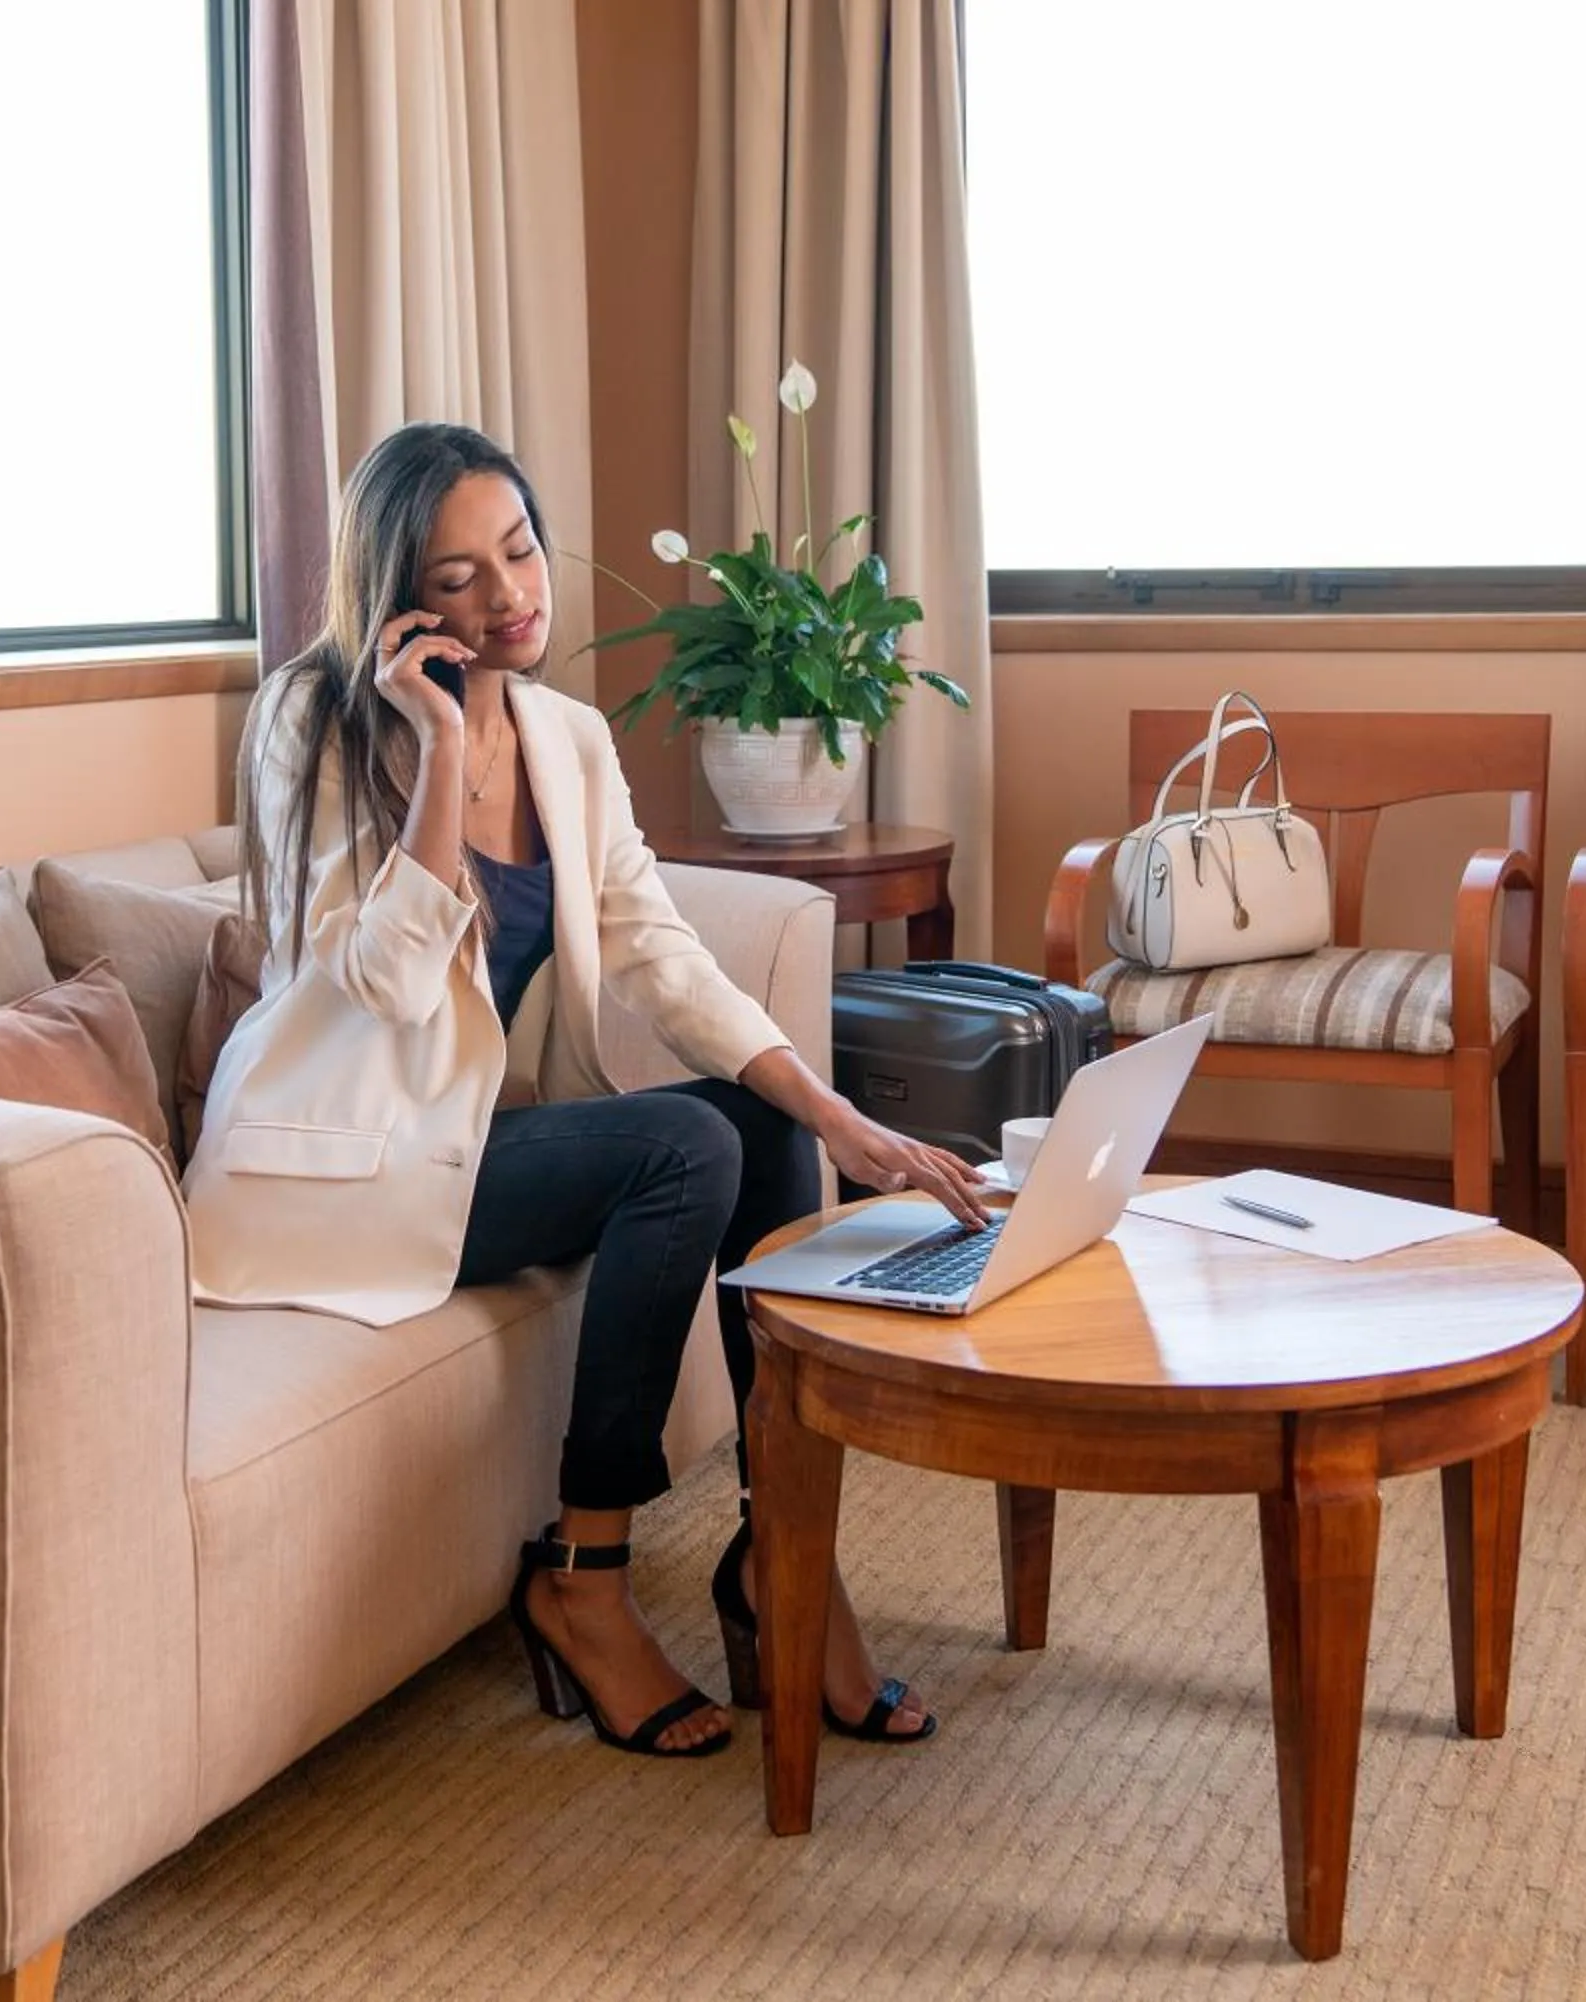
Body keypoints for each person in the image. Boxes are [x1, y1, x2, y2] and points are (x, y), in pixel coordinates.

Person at [185, 421, 988, 1759]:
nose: (511, 596)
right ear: (397, 600)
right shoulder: (309, 724)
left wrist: (834, 1111)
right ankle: (588, 1578)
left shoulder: (567, 733)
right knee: (679, 1146)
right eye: (459, 578)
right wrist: (439, 746)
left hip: (482, 1142)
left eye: (519, 549)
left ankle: (781, 1552)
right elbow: (381, 983)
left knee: (756, 1123)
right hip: (357, 1169)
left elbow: (660, 950)